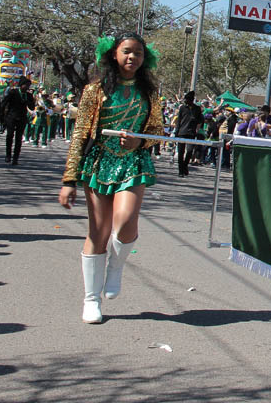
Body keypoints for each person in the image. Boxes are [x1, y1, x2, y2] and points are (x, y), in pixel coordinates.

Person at [58, 33, 163, 324]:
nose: (133, 58)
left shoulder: (148, 93)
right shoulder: (94, 90)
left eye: (139, 54)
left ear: (145, 59)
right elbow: (80, 134)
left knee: (127, 221)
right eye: (127, 52)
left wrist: (139, 142)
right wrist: (69, 180)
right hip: (99, 163)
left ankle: (116, 266)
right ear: (113, 54)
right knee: (98, 232)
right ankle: (91, 299)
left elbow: (157, 130)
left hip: (133, 163)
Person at [0, 75, 34, 165]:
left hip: (22, 118)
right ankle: (8, 155)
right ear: (21, 85)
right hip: (11, 117)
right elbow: (4, 103)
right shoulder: (13, 93)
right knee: (9, 136)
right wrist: (2, 116)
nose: (27, 87)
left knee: (18, 139)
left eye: (28, 85)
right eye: (25, 85)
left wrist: (28, 102)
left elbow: (32, 107)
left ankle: (15, 158)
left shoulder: (29, 95)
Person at [174, 91, 202, 177]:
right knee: (181, 152)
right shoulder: (182, 108)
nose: (186, 101)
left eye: (187, 99)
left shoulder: (197, 109)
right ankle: (180, 170)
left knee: (189, 151)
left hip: (191, 132)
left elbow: (200, 120)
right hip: (182, 132)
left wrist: (197, 128)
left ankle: (185, 165)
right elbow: (179, 121)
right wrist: (176, 132)